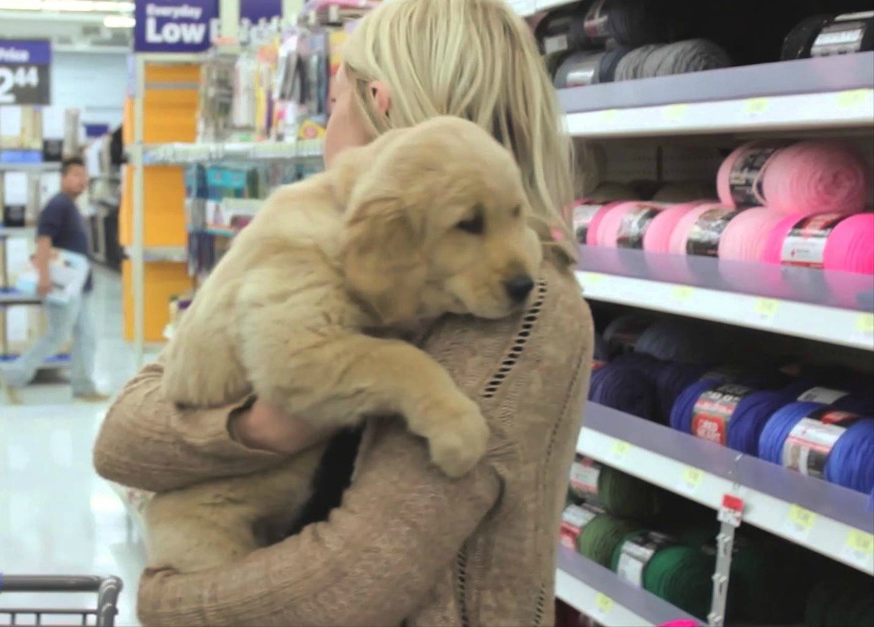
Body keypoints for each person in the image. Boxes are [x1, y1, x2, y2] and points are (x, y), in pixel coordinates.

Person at [93, 0, 593, 623]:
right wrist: (258, 427)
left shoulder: (514, 307)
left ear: (378, 100)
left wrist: (168, 602)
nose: (325, 123)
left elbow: (346, 586)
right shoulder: (328, 232)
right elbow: (120, 438)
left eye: (333, 102)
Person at [0, 157, 108, 403]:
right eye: (76, 174)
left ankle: (83, 386)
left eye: (84, 175)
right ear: (63, 177)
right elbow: (43, 241)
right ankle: (12, 375)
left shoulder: (72, 206)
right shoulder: (57, 205)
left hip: (80, 285)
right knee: (56, 335)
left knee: (86, 335)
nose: (81, 180)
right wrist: (45, 277)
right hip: (63, 286)